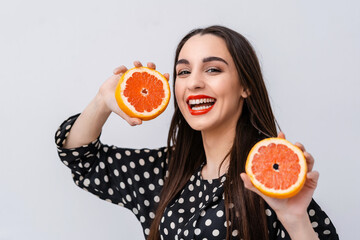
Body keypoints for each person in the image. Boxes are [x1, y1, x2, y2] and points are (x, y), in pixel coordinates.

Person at [55, 25, 339, 240]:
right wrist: (103, 100)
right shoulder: (164, 172)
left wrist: (294, 217)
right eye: (183, 72)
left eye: (213, 69)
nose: (193, 83)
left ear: (245, 86)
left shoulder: (270, 181)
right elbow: (81, 158)